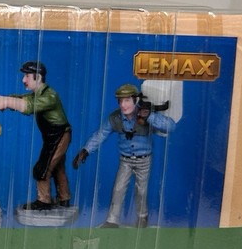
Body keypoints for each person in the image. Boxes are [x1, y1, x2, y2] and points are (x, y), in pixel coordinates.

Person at [73, 83, 177, 228]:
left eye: (127, 100)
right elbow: (101, 134)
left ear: (135, 100)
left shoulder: (145, 114)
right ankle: (112, 220)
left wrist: (150, 116)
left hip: (144, 160)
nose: (123, 105)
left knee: (141, 191)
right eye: (120, 101)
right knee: (118, 188)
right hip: (125, 160)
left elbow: (171, 126)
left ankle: (142, 218)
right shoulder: (115, 118)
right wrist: (86, 150)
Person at [0, 61, 72, 210]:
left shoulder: (50, 96)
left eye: (27, 76)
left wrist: (5, 102)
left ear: (38, 77)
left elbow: (29, 106)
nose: (23, 80)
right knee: (57, 167)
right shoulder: (38, 94)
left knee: (43, 168)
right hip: (53, 136)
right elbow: (23, 99)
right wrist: (1, 99)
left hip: (59, 136)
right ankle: (64, 198)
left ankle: (44, 201)